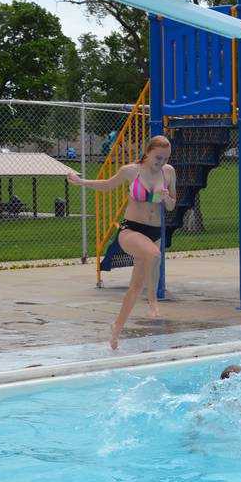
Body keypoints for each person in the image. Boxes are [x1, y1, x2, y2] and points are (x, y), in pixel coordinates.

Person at [68, 135, 177, 349]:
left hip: (154, 232)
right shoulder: (131, 171)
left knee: (135, 287)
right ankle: (153, 302)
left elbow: (172, 206)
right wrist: (81, 182)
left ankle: (116, 328)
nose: (161, 163)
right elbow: (107, 185)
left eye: (165, 158)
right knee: (155, 255)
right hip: (131, 231)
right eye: (158, 158)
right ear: (148, 152)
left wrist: (165, 198)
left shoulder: (169, 172)